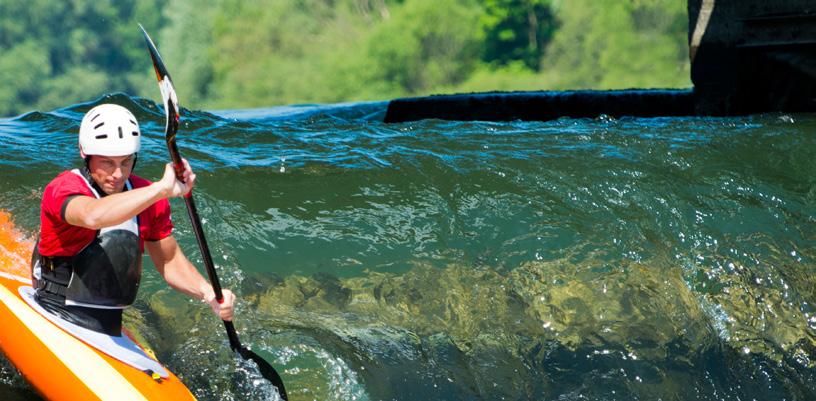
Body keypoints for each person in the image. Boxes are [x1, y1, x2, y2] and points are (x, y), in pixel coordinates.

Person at [31, 103, 236, 336]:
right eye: (107, 162)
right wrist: (161, 189)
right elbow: (92, 215)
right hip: (55, 311)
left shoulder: (148, 195)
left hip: (108, 322)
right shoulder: (63, 188)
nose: (118, 174)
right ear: (84, 154)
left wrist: (208, 293)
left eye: (126, 161)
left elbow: (169, 261)